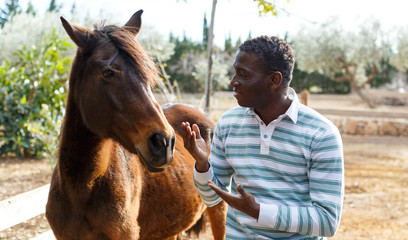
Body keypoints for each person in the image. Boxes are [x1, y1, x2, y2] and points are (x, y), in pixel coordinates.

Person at [182, 35, 344, 239]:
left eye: (243, 75)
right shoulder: (229, 123)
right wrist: (203, 163)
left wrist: (258, 211)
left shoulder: (321, 134)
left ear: (274, 80)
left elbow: (327, 221)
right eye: (235, 73)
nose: (233, 82)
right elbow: (212, 198)